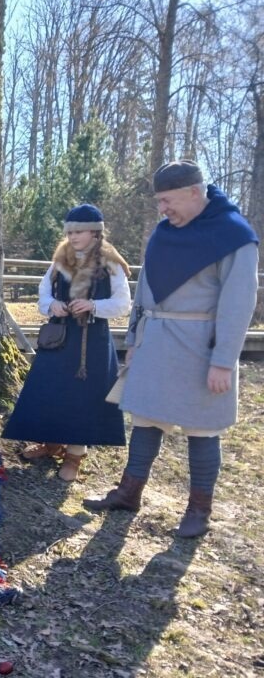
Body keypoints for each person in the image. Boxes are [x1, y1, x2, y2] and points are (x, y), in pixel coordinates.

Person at [84, 161, 259, 537]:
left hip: (202, 347)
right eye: (159, 202)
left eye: (167, 200)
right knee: (146, 417)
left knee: (202, 427)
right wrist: (133, 340)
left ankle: (199, 510)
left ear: (195, 192)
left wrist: (224, 362)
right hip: (155, 339)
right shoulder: (163, 233)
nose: (162, 209)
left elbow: (238, 304)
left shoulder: (234, 237)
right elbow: (144, 291)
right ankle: (129, 493)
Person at [2, 204, 132, 482]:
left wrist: (93, 305)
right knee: (52, 391)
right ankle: (51, 443)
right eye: (69, 231)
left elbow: (123, 304)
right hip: (59, 338)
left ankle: (75, 454)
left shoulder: (111, 264)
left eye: (79, 231)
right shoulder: (59, 261)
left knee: (84, 398)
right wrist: (53, 307)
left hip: (92, 343)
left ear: (95, 234)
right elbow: (43, 297)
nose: (72, 236)